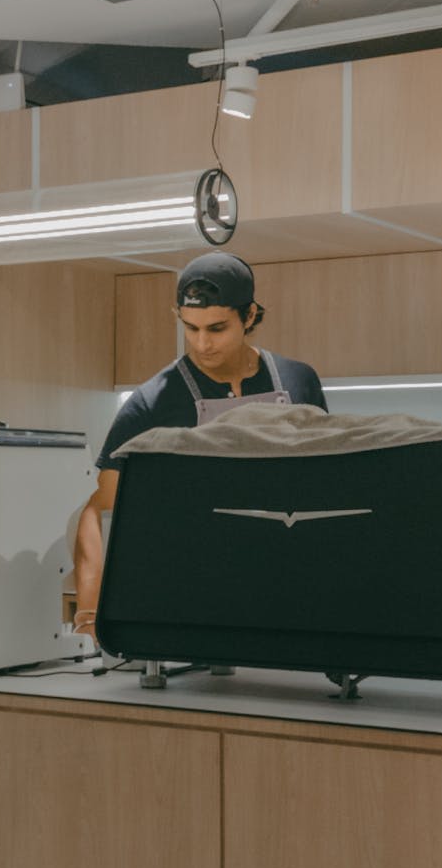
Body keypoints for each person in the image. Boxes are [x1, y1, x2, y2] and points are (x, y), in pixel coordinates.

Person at [70, 251, 327, 637]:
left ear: (251, 316)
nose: (202, 343)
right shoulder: (152, 401)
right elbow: (99, 511)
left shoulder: (299, 381)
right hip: (197, 586)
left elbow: (326, 482)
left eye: (217, 328)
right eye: (191, 328)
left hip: (288, 578)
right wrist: (89, 616)